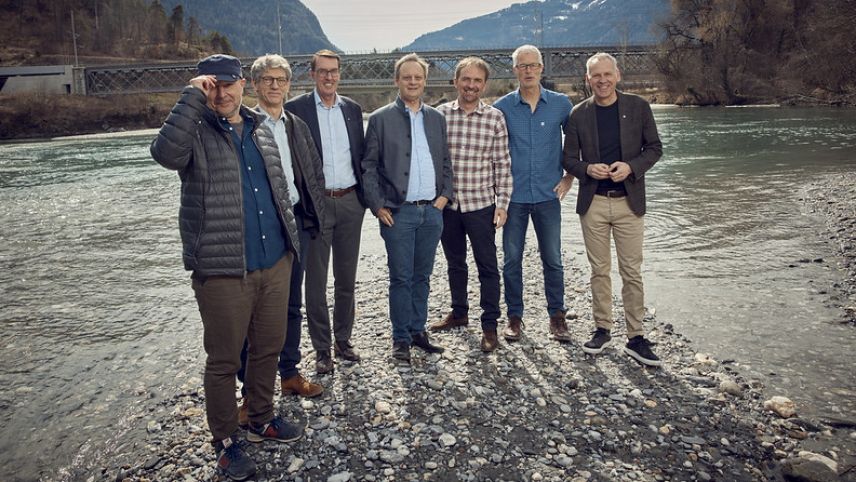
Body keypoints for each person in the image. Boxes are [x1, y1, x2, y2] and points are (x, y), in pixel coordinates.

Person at [150, 54, 303, 481]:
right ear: (204, 88)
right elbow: (163, 154)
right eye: (211, 85)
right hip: (221, 270)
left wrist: (291, 248)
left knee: (268, 349)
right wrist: (189, 98)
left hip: (274, 263)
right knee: (222, 360)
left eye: (228, 83)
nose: (222, 92)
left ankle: (260, 418)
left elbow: (279, 191)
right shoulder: (193, 134)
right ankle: (224, 442)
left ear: (242, 85)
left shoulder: (260, 129)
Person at [235, 54, 327, 411]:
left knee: (291, 303)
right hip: (260, 226)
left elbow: (313, 174)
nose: (275, 85)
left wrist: (316, 216)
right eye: (267, 79)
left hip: (296, 222)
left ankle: (289, 373)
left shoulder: (296, 126)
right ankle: (249, 390)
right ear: (255, 85)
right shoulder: (243, 125)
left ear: (289, 85)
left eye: (281, 79)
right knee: (253, 309)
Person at [562, 52, 663, 366]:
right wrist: (587, 169)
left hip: (628, 203)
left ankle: (636, 337)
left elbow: (655, 149)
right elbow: (568, 160)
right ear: (588, 79)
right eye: (596, 75)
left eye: (607, 74)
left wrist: (631, 167)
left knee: (631, 272)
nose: (602, 80)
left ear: (617, 75)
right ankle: (602, 329)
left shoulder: (638, 107)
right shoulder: (578, 114)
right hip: (593, 203)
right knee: (599, 271)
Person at [362, 53, 453, 363]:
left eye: (418, 77)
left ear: (424, 81)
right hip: (398, 213)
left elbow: (445, 162)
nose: (413, 82)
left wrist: (444, 197)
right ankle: (400, 338)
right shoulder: (379, 118)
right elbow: (369, 167)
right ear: (397, 81)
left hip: (432, 211)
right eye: (407, 77)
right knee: (401, 278)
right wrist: (376, 205)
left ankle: (417, 331)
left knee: (423, 276)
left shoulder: (436, 118)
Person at [285, 50, 366, 374]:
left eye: (334, 71)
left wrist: (365, 198)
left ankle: (343, 341)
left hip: (350, 202)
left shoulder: (353, 109)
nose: (329, 77)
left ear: (339, 74)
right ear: (312, 74)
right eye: (323, 72)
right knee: (315, 283)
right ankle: (322, 350)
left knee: (346, 279)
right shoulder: (295, 110)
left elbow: (360, 157)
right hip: (315, 206)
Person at [430, 57, 513, 352]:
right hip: (448, 207)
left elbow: (502, 164)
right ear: (455, 82)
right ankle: (459, 313)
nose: (471, 85)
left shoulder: (495, 118)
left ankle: (490, 326)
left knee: (488, 266)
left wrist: (502, 204)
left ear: (484, 85)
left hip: (481, 206)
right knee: (455, 263)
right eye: (466, 79)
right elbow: (433, 160)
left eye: (477, 81)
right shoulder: (439, 115)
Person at [493, 45, 575, 343]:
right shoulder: (501, 108)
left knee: (552, 258)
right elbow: (492, 153)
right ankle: (515, 318)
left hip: (548, 196)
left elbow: (578, 143)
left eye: (533, 65)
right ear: (515, 70)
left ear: (542, 68)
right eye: (522, 66)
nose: (528, 70)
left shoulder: (561, 104)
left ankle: (558, 318)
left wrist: (569, 176)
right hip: (513, 199)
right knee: (512, 259)